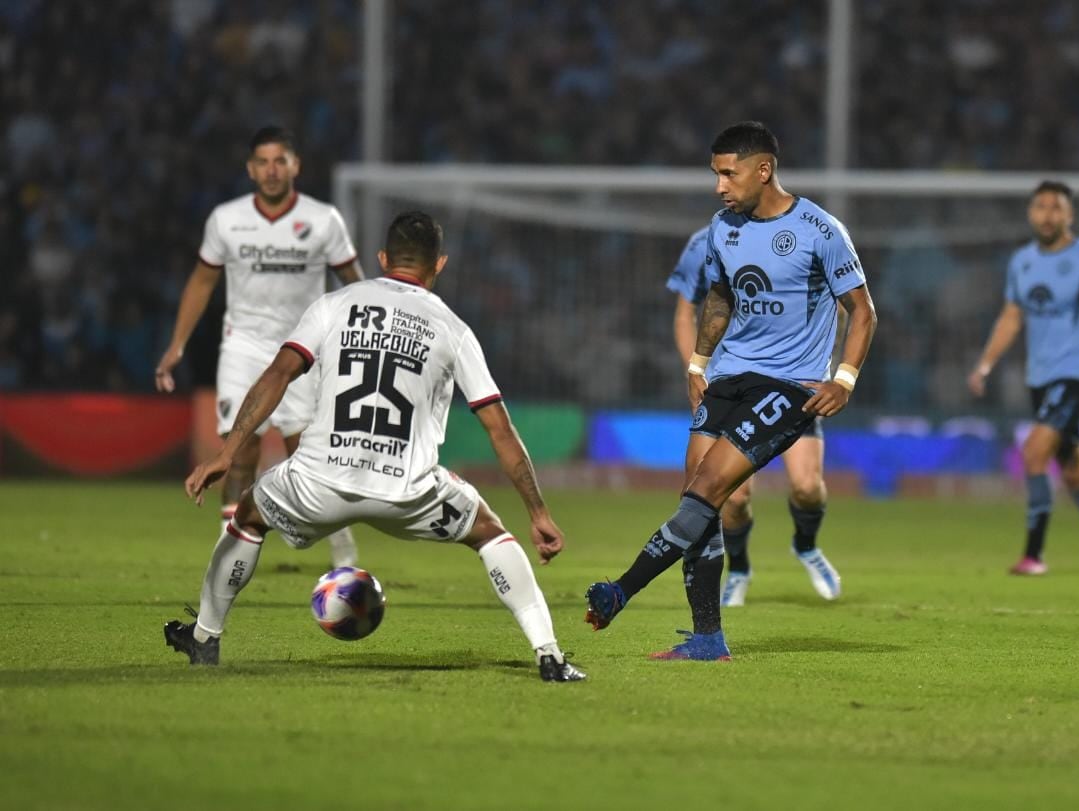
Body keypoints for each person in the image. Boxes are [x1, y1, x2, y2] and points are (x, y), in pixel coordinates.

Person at [163, 210, 586, 682]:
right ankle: (549, 655)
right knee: (490, 534)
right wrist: (538, 513)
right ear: (439, 264)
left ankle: (204, 639)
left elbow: (279, 374)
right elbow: (500, 430)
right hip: (409, 491)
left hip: (318, 481)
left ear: (383, 258)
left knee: (247, 516)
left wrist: (227, 452)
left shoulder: (335, 304)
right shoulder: (453, 329)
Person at [585, 122, 877, 659]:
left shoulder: (819, 228)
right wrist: (698, 363)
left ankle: (621, 589)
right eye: (715, 174)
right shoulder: (723, 228)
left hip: (789, 387)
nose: (719, 186)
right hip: (727, 378)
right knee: (698, 501)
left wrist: (844, 377)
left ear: (762, 170)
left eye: (728, 173)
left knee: (707, 493)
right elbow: (719, 296)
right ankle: (707, 637)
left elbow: (863, 310)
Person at [155, 126, 363, 568]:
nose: (271, 170)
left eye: (279, 161)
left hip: (303, 352)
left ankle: (344, 558)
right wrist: (177, 345)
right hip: (243, 347)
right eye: (263, 162)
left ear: (295, 166)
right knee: (239, 449)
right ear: (251, 170)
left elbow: (352, 282)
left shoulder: (324, 220)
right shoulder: (226, 220)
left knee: (308, 455)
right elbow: (203, 280)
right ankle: (227, 557)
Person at [967, 180, 1079, 577]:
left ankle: (1034, 555)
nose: (1047, 214)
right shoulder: (1022, 262)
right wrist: (985, 364)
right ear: (1031, 213)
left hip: (1078, 373)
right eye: (1040, 206)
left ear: (1070, 215)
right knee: (1074, 470)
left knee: (1034, 453)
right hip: (1041, 377)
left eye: (1056, 207)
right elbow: (1012, 317)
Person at [668, 226, 841, 606]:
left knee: (807, 487)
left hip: (789, 382)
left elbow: (843, 302)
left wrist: (826, 364)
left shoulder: (801, 234)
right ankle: (741, 569)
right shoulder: (705, 241)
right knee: (733, 499)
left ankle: (806, 546)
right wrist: (696, 372)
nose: (723, 187)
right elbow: (686, 314)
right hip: (732, 384)